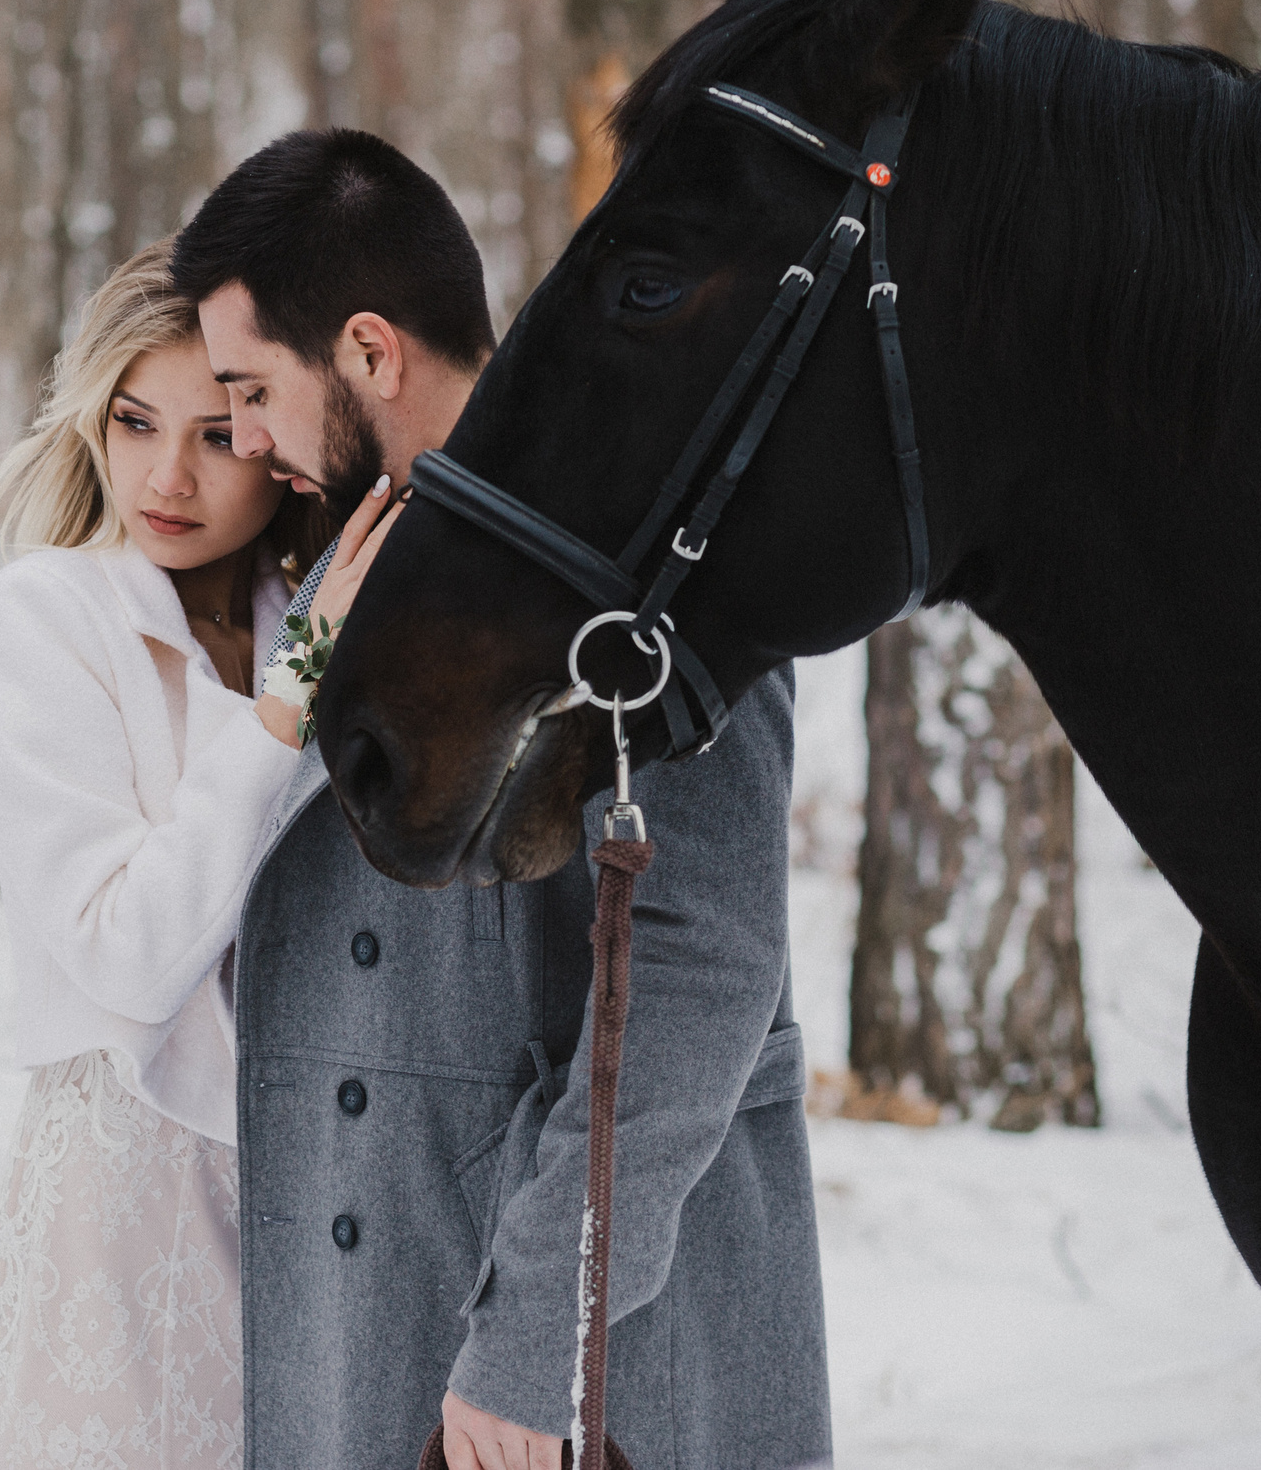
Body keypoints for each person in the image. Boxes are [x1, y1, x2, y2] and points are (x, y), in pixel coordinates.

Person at [171, 132, 831, 1470]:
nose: (241, 438)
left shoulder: (643, 537)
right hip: (372, 1300)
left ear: (369, 351)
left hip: (571, 1344)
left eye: (250, 388)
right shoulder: (341, 542)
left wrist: (545, 1326)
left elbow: (697, 963)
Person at [0, 237, 399, 1469]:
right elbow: (126, 953)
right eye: (134, 421)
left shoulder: (321, 619)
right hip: (120, 1208)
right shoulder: (44, 618)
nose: (165, 476)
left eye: (216, 434)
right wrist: (285, 704)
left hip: (321, 1206)